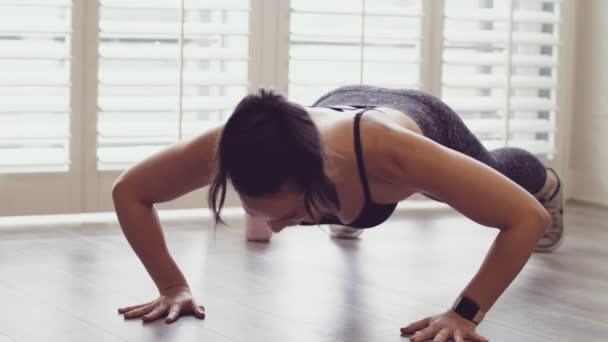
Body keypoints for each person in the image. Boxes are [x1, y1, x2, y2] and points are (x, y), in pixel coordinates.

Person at [112, 85, 564, 342]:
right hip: (337, 107)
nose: (276, 227)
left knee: (502, 174)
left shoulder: (400, 157)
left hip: (411, 121)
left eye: (289, 213)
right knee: (317, 209)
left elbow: (525, 219)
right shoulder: (231, 144)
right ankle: (347, 217)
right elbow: (130, 191)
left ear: (323, 175)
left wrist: (463, 314)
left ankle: (547, 179)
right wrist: (172, 286)